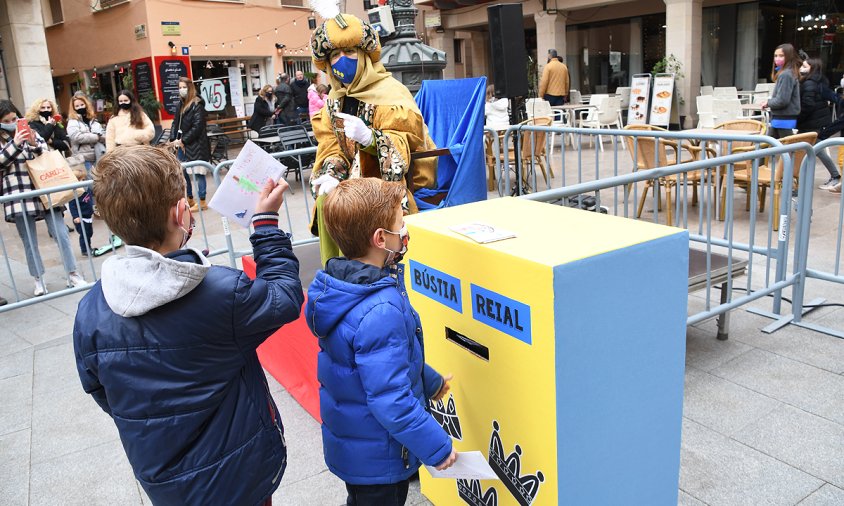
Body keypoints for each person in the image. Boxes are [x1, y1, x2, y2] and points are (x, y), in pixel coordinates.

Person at [73, 145, 304, 506]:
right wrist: (265, 225)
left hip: (164, 481)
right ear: (182, 213)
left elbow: (101, 390)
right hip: (237, 475)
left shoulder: (90, 309)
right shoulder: (222, 293)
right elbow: (285, 297)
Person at [305, 177, 457, 506]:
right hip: (380, 453)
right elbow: (391, 399)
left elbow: (383, 362)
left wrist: (429, 382)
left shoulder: (343, 285)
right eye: (400, 223)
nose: (406, 230)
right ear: (381, 239)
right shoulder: (380, 308)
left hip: (357, 445)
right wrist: (438, 447)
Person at [308, 12, 439, 264]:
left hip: (384, 185)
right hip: (349, 183)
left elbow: (405, 148)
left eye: (349, 51)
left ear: (365, 55)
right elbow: (331, 147)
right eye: (335, 55)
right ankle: (336, 275)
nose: (341, 60)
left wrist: (371, 139)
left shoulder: (391, 92)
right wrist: (332, 172)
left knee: (356, 210)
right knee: (327, 201)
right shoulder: (333, 101)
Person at [0, 100, 85, 296]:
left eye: (14, 118)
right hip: (18, 192)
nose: (12, 122)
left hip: (45, 189)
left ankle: (72, 274)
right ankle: (38, 280)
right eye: (7, 120)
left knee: (60, 233)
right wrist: (16, 143)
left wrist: (31, 142)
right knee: (29, 240)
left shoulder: (29, 130)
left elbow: (44, 153)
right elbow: (2, 161)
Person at [797, 57, 841, 190]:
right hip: (816, 122)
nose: (801, 69)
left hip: (812, 123)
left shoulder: (809, 83)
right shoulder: (819, 81)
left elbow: (808, 105)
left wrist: (798, 118)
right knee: (812, 148)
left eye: (804, 66)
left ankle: (835, 176)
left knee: (816, 149)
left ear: (812, 69)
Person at [170, 77, 212, 211]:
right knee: (183, 172)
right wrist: (173, 138)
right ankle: (190, 198)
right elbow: (175, 123)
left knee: (199, 173)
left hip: (196, 145)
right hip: (181, 145)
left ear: (190, 88)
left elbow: (198, 126)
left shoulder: (197, 104)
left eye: (184, 87)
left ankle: (202, 201)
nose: (181, 90)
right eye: (180, 87)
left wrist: (183, 140)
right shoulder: (180, 105)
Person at [761, 44, 801, 139]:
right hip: (781, 118)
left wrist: (768, 103)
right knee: (770, 146)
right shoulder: (788, 73)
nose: (777, 58)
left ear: (789, 57)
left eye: (781, 56)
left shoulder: (786, 74)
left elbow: (782, 100)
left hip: (783, 118)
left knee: (786, 149)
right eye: (775, 56)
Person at [66, 94, 105, 169]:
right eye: (77, 106)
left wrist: (100, 137)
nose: (80, 107)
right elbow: (76, 137)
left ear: (86, 105)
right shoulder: (72, 122)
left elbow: (103, 135)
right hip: (83, 158)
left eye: (82, 104)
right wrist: (96, 137)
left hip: (99, 155)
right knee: (90, 180)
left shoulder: (94, 121)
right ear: (73, 108)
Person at [68, 168, 94, 256]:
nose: (84, 181)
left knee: (89, 233)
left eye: (84, 179)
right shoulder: (74, 193)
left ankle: (88, 247)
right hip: (80, 218)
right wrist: (76, 216)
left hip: (88, 216)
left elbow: (92, 197)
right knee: (84, 235)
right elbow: (72, 206)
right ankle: (84, 250)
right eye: (82, 180)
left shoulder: (87, 189)